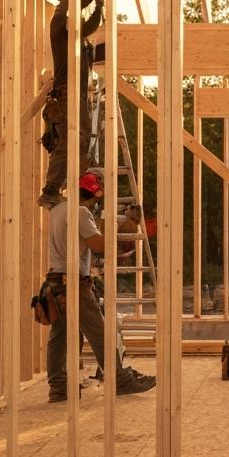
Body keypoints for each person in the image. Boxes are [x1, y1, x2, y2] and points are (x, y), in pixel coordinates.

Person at [44, 171, 156, 402]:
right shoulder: (81, 212)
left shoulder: (57, 210)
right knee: (100, 333)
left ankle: (58, 386)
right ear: (94, 196)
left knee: (59, 335)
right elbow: (99, 245)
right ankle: (120, 381)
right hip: (74, 284)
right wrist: (110, 222)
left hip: (56, 282)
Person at [38, 0, 104, 208]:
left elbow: (90, 26)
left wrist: (98, 3)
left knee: (81, 140)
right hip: (67, 94)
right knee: (67, 143)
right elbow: (60, 16)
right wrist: (68, 0)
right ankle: (50, 190)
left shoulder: (78, 38)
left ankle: (65, 182)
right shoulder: (60, 31)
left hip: (77, 96)